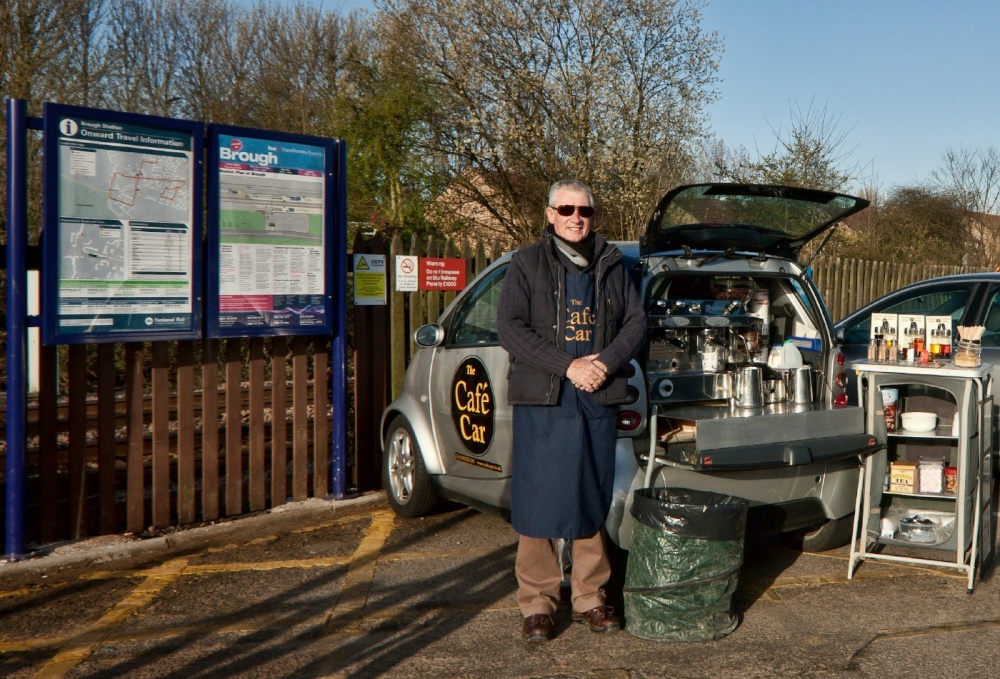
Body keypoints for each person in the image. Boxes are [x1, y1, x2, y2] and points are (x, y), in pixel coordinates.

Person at [497, 179, 646, 642]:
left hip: (597, 394)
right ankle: (538, 602)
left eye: (585, 210)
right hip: (546, 397)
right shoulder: (525, 263)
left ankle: (589, 597)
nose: (576, 217)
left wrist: (603, 362)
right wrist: (569, 365)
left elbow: (636, 323)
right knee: (539, 498)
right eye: (566, 209)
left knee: (590, 494)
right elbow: (511, 329)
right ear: (550, 214)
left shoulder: (614, 265)